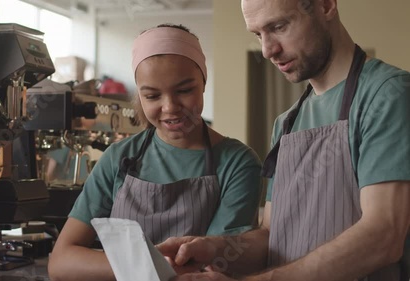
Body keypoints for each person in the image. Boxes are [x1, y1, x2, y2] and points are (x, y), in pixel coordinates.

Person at [157, 0, 410, 280]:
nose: (267, 50)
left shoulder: (388, 95)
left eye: (278, 26)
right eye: (257, 34)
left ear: (326, 5)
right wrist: (215, 248)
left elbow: (384, 235)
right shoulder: (287, 123)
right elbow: (271, 235)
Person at [48, 23, 263, 281]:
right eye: (152, 96)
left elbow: (218, 265)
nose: (170, 107)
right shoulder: (118, 158)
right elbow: (61, 261)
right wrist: (150, 266)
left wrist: (136, 267)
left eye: (184, 90)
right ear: (139, 95)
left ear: (203, 82)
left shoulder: (237, 163)